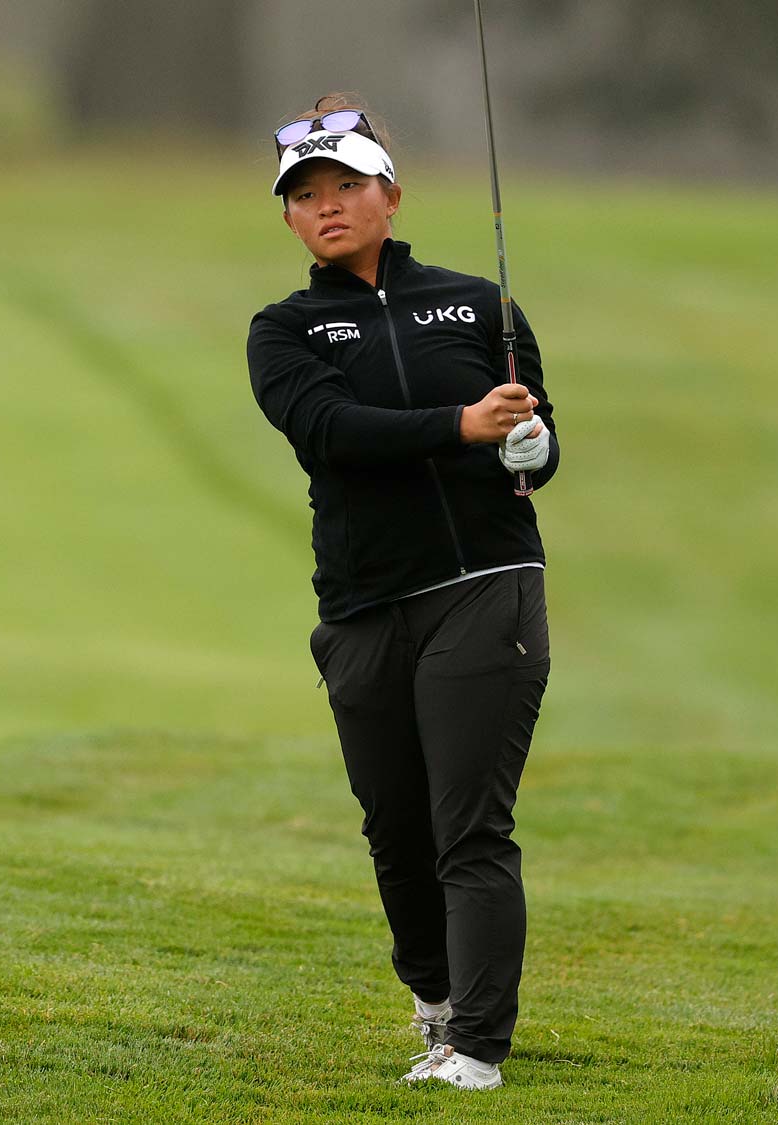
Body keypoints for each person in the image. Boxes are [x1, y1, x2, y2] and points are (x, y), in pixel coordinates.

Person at [245, 94, 559, 1091]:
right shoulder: (283, 331)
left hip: (485, 583)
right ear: (289, 219)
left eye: (345, 186)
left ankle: (473, 1049)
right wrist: (459, 426)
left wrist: (529, 442)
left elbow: (533, 444)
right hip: (362, 604)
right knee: (396, 826)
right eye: (305, 196)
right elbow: (330, 433)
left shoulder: (478, 307)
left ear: (389, 191)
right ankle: (432, 996)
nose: (326, 207)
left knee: (469, 823)